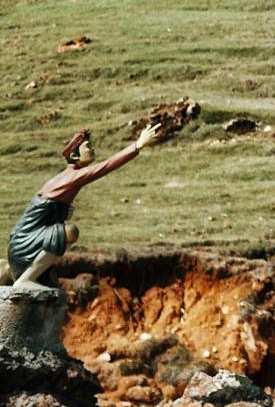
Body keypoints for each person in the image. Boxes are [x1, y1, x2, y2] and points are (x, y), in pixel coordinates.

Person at [7, 123, 161, 288]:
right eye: (88, 146)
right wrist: (138, 145)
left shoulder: (70, 176)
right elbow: (106, 166)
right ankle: (26, 280)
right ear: (74, 155)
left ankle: (35, 274)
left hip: (25, 246)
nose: (92, 149)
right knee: (68, 232)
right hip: (24, 246)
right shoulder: (71, 177)